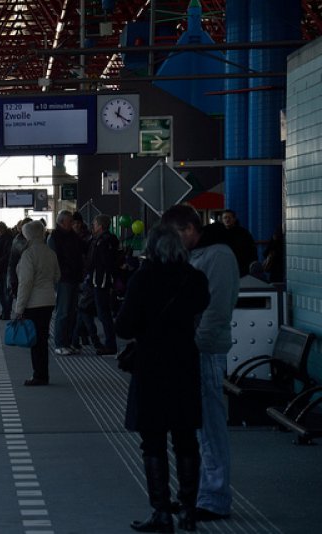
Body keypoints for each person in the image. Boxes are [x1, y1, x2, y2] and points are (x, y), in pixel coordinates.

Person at [116, 224, 210, 532]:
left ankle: (161, 512)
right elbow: (202, 305)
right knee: (186, 441)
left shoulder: (143, 278)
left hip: (151, 367)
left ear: (152, 248)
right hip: (184, 363)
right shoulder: (194, 278)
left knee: (153, 442)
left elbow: (124, 327)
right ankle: (189, 512)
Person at [162, 205, 240, 523]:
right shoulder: (200, 255)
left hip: (206, 351)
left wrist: (198, 343)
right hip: (193, 350)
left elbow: (217, 308)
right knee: (197, 426)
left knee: (211, 427)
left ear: (190, 230)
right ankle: (199, 493)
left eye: (175, 235)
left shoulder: (217, 256)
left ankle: (215, 497)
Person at [14, 221, 60, 386]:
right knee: (42, 339)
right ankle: (42, 374)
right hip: (48, 301)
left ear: (29, 235)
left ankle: (39, 375)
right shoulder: (50, 252)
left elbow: (25, 283)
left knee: (35, 341)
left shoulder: (28, 254)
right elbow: (57, 276)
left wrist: (19, 308)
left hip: (33, 303)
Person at [47, 210, 84, 355]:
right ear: (62, 222)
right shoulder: (54, 238)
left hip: (74, 277)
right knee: (63, 311)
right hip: (63, 279)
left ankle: (68, 342)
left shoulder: (73, 236)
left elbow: (81, 251)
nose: (73, 223)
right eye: (70, 221)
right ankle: (60, 343)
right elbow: (53, 260)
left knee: (72, 312)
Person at [87, 214, 120, 355]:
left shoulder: (102, 241)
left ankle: (110, 344)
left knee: (103, 313)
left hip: (101, 281)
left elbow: (103, 262)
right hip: (103, 280)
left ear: (100, 226)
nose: (92, 227)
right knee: (99, 311)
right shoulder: (111, 239)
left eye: (94, 224)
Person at [220, 209, 258, 277]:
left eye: (229, 217)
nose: (227, 220)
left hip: (241, 266)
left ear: (234, 219)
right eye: (225, 218)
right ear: (222, 220)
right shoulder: (219, 234)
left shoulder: (243, 233)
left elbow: (252, 249)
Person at [7, 218, 32, 309]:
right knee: (23, 306)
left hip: (28, 278)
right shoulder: (19, 241)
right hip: (20, 278)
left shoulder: (21, 240)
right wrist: (12, 281)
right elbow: (13, 263)